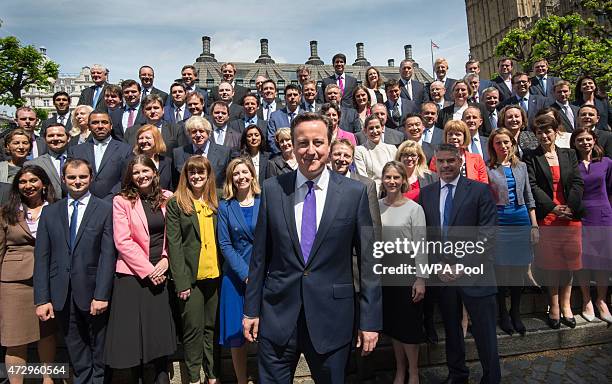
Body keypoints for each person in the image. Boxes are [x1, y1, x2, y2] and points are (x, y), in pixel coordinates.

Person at [243, 113, 381, 383]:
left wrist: (370, 321)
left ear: (329, 145)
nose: (311, 150)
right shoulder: (272, 189)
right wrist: (251, 309)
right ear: (292, 146)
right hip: (278, 315)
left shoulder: (355, 193)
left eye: (318, 142)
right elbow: (260, 256)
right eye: (302, 143)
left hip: (332, 319)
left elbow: (369, 264)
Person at [418, 144, 500, 384]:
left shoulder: (480, 191)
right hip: (443, 276)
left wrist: (462, 264)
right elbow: (427, 236)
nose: (445, 166)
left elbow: (488, 233)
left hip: (476, 273)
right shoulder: (428, 193)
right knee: (452, 331)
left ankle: (491, 378)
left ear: (460, 161)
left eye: (450, 161)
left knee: (485, 334)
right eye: (440, 161)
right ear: (435, 163)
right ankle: (457, 375)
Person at [34, 158, 116, 384]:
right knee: (75, 346)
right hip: (61, 293)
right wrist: (42, 298)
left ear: (90, 178)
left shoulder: (105, 209)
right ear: (63, 179)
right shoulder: (50, 212)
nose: (77, 181)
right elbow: (42, 257)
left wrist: (101, 295)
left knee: (99, 347)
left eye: (82, 177)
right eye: (71, 177)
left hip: (92, 293)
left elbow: (108, 255)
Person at [104, 155, 176, 383]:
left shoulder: (168, 198)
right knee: (133, 339)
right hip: (132, 276)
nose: (141, 176)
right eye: (136, 172)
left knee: (158, 335)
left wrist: (165, 261)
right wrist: (148, 270)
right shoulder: (121, 200)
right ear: (130, 176)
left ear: (155, 172)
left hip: (161, 272)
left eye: (146, 171)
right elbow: (123, 241)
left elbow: (174, 237)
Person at [523, 114, 584, 330]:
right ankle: (554, 305)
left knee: (568, 264)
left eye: (548, 131)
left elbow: (577, 182)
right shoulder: (530, 156)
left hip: (569, 217)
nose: (544, 135)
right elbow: (532, 186)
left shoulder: (569, 154)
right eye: (539, 132)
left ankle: (566, 305)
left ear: (555, 132)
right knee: (551, 265)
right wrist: (553, 207)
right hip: (548, 216)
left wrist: (570, 207)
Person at [166, 156, 221, 384]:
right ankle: (194, 377)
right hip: (191, 278)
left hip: (216, 276)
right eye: (192, 173)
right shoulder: (177, 203)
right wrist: (181, 282)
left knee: (212, 329)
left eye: (201, 172)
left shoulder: (217, 201)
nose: (197, 176)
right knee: (193, 331)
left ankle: (213, 376)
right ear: (186, 176)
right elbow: (175, 244)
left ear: (208, 175)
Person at [1, 165, 57, 384]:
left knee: (47, 334)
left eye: (33, 180)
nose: (28, 185)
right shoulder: (6, 212)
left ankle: (48, 379)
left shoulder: (56, 208)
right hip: (14, 283)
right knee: (15, 338)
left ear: (43, 184)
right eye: (23, 182)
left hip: (48, 279)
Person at [378, 161, 427, 384]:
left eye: (396, 177)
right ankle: (400, 370)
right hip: (385, 274)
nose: (392, 181)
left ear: (404, 180)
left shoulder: (414, 209)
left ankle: (414, 372)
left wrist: (420, 279)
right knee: (394, 327)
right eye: (388, 177)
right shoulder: (376, 206)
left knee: (408, 327)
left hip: (408, 273)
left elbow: (421, 245)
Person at [486, 128, 538, 336]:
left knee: (517, 270)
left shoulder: (522, 166)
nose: (503, 146)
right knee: (501, 270)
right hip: (499, 221)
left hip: (520, 219)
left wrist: (534, 225)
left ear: (512, 144)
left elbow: (529, 196)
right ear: (493, 146)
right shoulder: (488, 168)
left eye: (506, 142)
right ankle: (503, 314)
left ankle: (516, 312)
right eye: (499, 143)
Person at [217, 158, 261, 384]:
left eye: (245, 172)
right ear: (230, 179)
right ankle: (242, 380)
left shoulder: (265, 202)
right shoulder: (225, 206)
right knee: (237, 335)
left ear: (252, 175)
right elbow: (224, 244)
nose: (241, 177)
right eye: (236, 173)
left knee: (266, 332)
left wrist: (258, 275)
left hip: (264, 275)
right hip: (235, 277)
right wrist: (245, 274)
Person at [570, 128, 612, 324]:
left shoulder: (606, 163)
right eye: (580, 140)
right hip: (581, 215)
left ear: (594, 140)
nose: (585, 143)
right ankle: (586, 300)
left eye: (588, 139)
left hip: (603, 214)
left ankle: (601, 300)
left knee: (603, 260)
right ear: (574, 143)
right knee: (583, 260)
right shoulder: (571, 165)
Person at [67, 111, 132, 201]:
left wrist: (110, 199)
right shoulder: (75, 151)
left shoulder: (125, 149)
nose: (100, 126)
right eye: (95, 123)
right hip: (83, 202)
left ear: (111, 126)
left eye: (104, 122)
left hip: (114, 202)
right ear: (88, 127)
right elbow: (69, 177)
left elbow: (126, 179)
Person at [173, 116, 232, 188]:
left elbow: (228, 180)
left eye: (201, 131)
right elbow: (175, 182)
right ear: (189, 134)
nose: (198, 135)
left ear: (208, 133)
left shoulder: (224, 153)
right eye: (194, 132)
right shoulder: (178, 153)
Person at [354, 115, 398, 194]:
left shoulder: (392, 149)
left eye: (377, 127)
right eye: (371, 128)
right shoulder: (359, 151)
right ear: (365, 131)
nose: (375, 131)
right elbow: (363, 178)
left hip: (392, 193)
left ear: (382, 129)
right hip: (372, 195)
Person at [25, 124, 70, 200]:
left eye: (60, 135)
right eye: (51, 136)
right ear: (45, 139)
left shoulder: (79, 158)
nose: (55, 138)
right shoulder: (34, 164)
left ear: (68, 138)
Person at [133, 124, 173, 190]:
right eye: (141, 138)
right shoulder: (131, 162)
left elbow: (171, 186)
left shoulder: (167, 161)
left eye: (148, 138)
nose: (144, 141)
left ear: (156, 139)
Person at [267, 84, 303, 154]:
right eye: (289, 95)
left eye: (295, 95)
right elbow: (271, 140)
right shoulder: (275, 116)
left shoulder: (306, 116)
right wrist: (283, 155)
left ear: (300, 97)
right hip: (281, 158)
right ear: (285, 98)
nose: (292, 97)